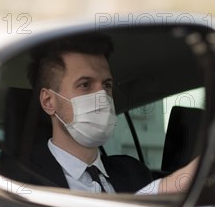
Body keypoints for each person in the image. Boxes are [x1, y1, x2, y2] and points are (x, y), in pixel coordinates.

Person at [24, 33, 197, 195]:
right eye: (85, 85)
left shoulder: (134, 171)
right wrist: (162, 189)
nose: (102, 98)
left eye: (106, 85)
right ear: (48, 101)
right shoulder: (19, 180)